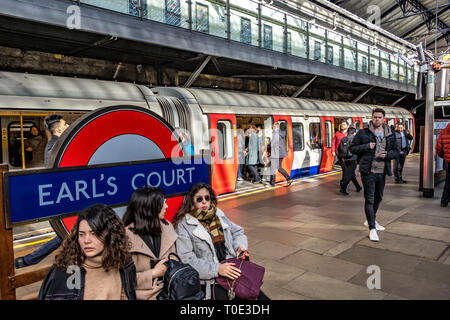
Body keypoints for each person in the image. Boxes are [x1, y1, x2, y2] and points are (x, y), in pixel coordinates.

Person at [173, 182, 269, 300]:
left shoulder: (217, 214)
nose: (204, 202)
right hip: (210, 280)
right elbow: (187, 259)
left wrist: (240, 246)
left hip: (233, 269)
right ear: (191, 201)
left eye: (207, 198)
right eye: (199, 199)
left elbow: (237, 232)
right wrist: (217, 269)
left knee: (257, 295)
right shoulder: (184, 225)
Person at [38, 204, 137, 300]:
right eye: (81, 234)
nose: (86, 240)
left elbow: (129, 294)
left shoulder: (123, 262)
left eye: (94, 234)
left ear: (110, 235)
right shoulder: (71, 271)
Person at [14, 115, 69, 269]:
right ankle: (30, 259)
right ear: (58, 129)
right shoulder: (56, 145)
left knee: (69, 231)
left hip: (64, 194)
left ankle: (29, 260)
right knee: (67, 232)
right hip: (63, 195)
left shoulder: (55, 144)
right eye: (65, 124)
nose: (67, 126)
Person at [349, 108, 399, 242]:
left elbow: (397, 151)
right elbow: (352, 148)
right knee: (369, 199)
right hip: (368, 171)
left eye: (379, 117)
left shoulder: (390, 134)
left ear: (384, 119)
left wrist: (388, 155)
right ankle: (372, 228)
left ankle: (372, 219)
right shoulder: (363, 133)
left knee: (379, 198)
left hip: (382, 171)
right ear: (372, 118)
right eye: (375, 117)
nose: (377, 119)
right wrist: (366, 146)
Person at [122, 186, 178, 300]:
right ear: (150, 208)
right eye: (163, 203)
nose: (166, 206)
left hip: (171, 292)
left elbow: (176, 260)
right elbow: (121, 281)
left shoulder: (167, 227)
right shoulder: (124, 237)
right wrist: (153, 273)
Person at [339, 126, 362, 195]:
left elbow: (339, 149)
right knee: (349, 175)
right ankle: (343, 188)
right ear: (354, 133)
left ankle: (358, 187)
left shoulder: (343, 139)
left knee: (351, 174)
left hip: (345, 159)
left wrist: (342, 157)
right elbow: (358, 150)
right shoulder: (355, 140)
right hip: (353, 159)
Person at [270, 122, 292, 187]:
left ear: (276, 126)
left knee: (273, 168)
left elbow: (273, 144)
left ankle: (272, 183)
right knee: (279, 167)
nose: (272, 128)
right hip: (281, 153)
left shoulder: (275, 133)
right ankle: (288, 179)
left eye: (273, 126)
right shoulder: (281, 132)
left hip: (277, 153)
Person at [436, 123, 450, 207]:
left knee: (448, 181)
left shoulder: (444, 131)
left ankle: (444, 201)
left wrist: (444, 156)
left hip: (448, 160)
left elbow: (438, 147)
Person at [332, 120, 349, 187]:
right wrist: (333, 151)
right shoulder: (337, 133)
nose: (342, 125)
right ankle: (343, 182)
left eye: (344, 124)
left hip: (346, 154)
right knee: (344, 168)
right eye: (341, 124)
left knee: (345, 169)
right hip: (339, 154)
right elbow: (333, 143)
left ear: (347, 126)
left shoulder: (349, 134)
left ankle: (343, 182)